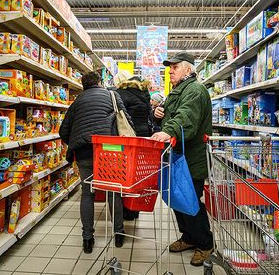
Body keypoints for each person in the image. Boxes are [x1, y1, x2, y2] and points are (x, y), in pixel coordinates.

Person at [151, 52, 214, 267]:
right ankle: (188, 237)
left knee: (190, 201)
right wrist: (158, 113)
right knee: (177, 199)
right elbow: (174, 113)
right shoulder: (178, 90)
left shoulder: (195, 90)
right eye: (170, 68)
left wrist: (167, 131)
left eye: (175, 67)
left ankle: (205, 244)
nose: (170, 71)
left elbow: (186, 116)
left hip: (191, 157)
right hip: (178, 156)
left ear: (188, 69)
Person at [59, 71, 133, 253]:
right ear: (99, 82)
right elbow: (126, 119)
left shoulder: (77, 102)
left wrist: (77, 142)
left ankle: (87, 238)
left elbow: (63, 131)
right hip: (109, 150)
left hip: (84, 151)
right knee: (113, 191)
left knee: (87, 193)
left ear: (83, 85)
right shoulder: (112, 95)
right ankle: (118, 233)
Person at [113, 70, 153, 220]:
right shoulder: (143, 93)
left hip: (128, 138)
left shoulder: (122, 93)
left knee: (124, 174)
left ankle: (125, 210)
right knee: (137, 175)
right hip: (143, 137)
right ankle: (134, 209)